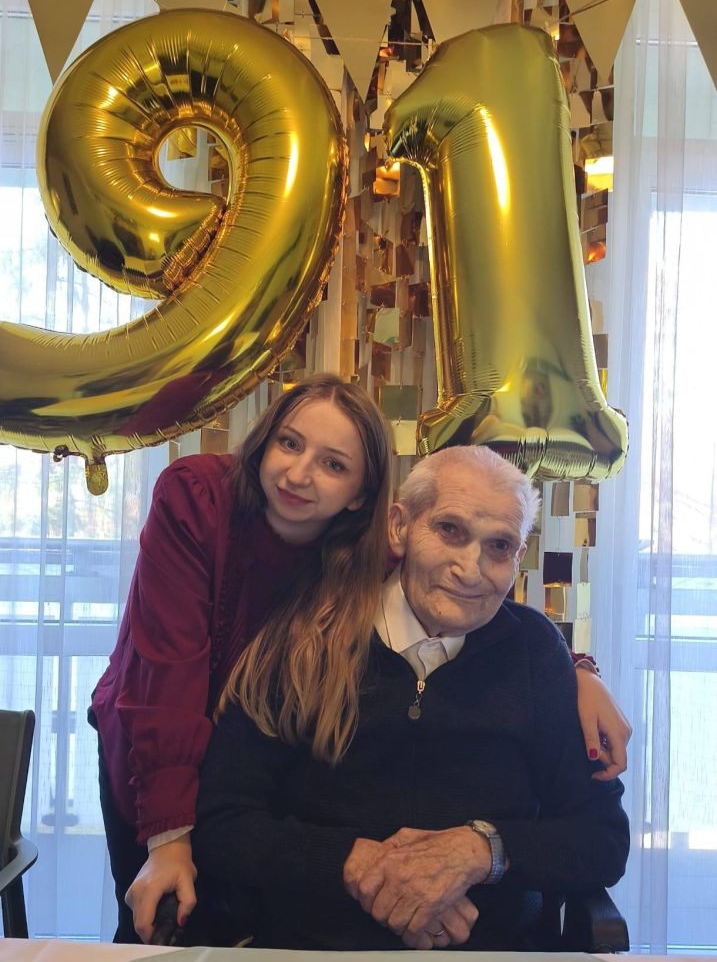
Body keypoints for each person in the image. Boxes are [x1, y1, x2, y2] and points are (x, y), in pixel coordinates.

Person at [91, 373, 630, 944]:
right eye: (449, 530)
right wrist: (362, 867)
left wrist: (478, 852)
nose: (470, 569)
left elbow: (602, 838)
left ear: (518, 557)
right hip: (303, 930)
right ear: (399, 528)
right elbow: (222, 814)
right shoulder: (307, 633)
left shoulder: (534, 653)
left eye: (499, 546)